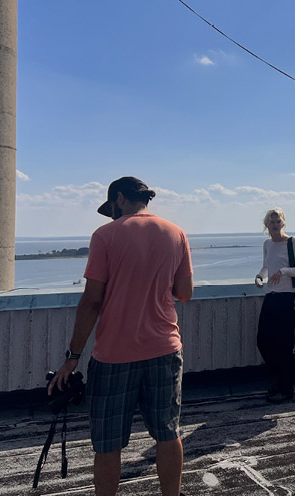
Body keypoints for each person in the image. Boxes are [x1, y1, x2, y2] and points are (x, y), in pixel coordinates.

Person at [49, 177, 193, 496]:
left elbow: (91, 301)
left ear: (118, 199)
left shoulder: (105, 235)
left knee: (108, 443)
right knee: (169, 434)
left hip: (114, 356)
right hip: (165, 350)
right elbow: (185, 293)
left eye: (111, 208)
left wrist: (72, 357)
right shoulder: (175, 233)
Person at [254, 208, 295, 404]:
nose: (275, 225)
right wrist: (261, 276)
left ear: (283, 223)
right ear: (266, 225)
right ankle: (280, 380)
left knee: (285, 345)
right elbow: (267, 266)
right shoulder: (267, 244)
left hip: (287, 298)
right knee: (264, 341)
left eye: (278, 222)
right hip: (271, 296)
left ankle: (286, 388)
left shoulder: (293, 242)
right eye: (271, 222)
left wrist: (283, 272)